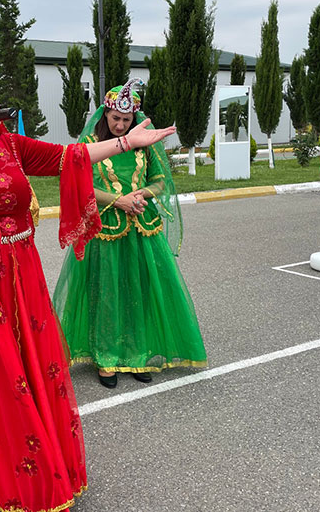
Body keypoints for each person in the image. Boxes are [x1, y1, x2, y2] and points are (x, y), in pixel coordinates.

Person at [0, 62, 175, 512]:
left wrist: (127, 143)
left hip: (22, 273)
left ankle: (38, 470)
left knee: (30, 370)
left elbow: (68, 157)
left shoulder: (10, 145)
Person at [53, 80, 207, 389]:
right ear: (105, 115)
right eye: (116, 118)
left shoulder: (144, 145)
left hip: (141, 226)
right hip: (105, 230)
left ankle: (137, 355)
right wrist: (118, 200)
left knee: (139, 292)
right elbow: (80, 184)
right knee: (107, 293)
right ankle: (106, 357)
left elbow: (160, 182)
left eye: (126, 119)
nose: (121, 125)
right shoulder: (90, 145)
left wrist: (140, 195)